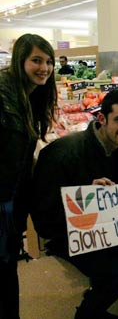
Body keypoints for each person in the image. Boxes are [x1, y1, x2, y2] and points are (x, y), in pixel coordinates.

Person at [30, 89, 118, 319]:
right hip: (65, 232)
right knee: (116, 276)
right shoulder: (64, 152)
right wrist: (85, 199)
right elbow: (45, 212)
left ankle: (95, 307)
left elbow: (115, 197)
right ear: (102, 119)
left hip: (102, 226)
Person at [0, 33, 57, 319]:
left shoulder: (29, 96)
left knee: (8, 263)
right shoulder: (3, 94)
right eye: (36, 60)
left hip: (12, 197)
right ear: (20, 59)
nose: (44, 68)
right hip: (2, 198)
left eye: (48, 62)